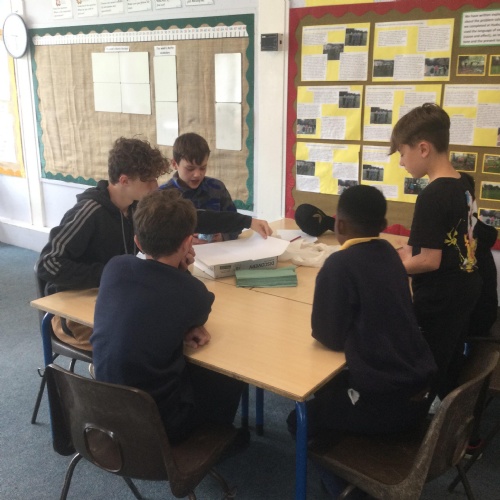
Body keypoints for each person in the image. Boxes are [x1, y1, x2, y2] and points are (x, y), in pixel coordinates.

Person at [37, 137, 273, 350]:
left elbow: (190, 217)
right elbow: (48, 264)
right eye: (149, 180)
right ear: (124, 180)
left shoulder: (136, 205)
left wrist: (246, 221)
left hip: (115, 295)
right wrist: (110, 275)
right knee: (161, 333)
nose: (155, 186)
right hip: (73, 313)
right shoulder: (90, 211)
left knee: (166, 324)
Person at [287, 185, 437, 498]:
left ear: (339, 224)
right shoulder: (390, 255)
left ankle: (350, 492)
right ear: (383, 225)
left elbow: (328, 336)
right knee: (330, 388)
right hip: (422, 392)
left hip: (388, 403)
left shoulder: (339, 264)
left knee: (298, 420)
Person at [90, 189, 245, 445]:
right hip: (159, 425)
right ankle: (219, 439)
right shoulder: (192, 293)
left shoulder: (115, 266)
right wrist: (184, 271)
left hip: (104, 412)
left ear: (138, 242)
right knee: (229, 372)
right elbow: (194, 306)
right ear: (187, 243)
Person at [390, 103, 483, 398]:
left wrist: (390, 269)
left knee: (427, 365)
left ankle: (426, 416)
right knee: (449, 359)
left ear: (423, 148)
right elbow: (443, 239)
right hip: (465, 286)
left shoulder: (432, 196)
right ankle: (452, 415)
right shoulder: (463, 183)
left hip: (440, 298)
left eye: (402, 153)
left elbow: (429, 261)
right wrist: (406, 252)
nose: (401, 162)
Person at [160, 132, 240, 243]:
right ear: (174, 164)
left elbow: (236, 223)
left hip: (217, 251)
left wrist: (223, 236)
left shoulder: (217, 188)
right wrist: (182, 242)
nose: (197, 174)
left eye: (203, 168)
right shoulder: (162, 196)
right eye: (190, 168)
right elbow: (155, 236)